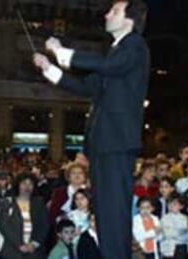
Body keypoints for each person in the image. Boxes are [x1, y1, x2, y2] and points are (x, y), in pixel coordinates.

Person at [33, 1, 150, 257]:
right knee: (106, 212)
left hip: (117, 143)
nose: (107, 14)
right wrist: (50, 69)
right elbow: (87, 87)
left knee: (115, 214)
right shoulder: (114, 54)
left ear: (129, 19)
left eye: (114, 11)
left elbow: (108, 67)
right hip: (103, 144)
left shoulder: (134, 47)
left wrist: (63, 52)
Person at [0, 173, 49, 259]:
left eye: (30, 184)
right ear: (17, 185)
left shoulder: (39, 203)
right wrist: (19, 245)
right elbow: (4, 225)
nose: (27, 186)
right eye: (24, 183)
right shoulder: (8, 202)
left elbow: (44, 225)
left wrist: (34, 243)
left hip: (34, 250)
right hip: (12, 249)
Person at [160, 194, 188, 259]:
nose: (171, 206)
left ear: (181, 206)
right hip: (169, 247)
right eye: (169, 204)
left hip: (182, 246)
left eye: (174, 204)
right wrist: (179, 232)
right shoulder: (164, 218)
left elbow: (187, 234)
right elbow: (167, 233)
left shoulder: (185, 218)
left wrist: (178, 232)